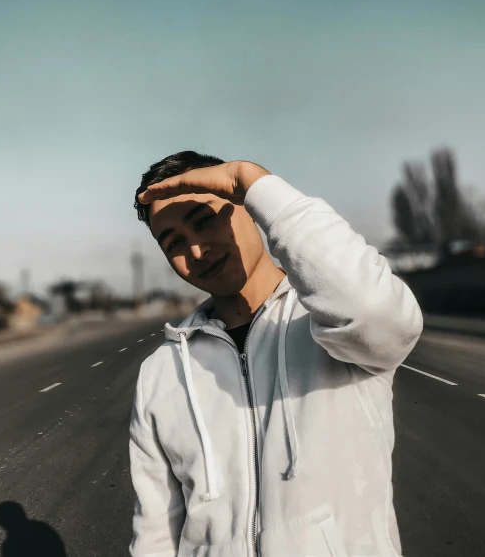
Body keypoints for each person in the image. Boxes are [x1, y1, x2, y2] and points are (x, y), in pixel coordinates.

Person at [129, 151, 423, 557]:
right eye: (175, 242)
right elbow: (155, 530)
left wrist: (253, 181)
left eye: (204, 220)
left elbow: (381, 314)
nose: (197, 250)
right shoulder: (161, 371)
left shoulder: (332, 323)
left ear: (249, 209)